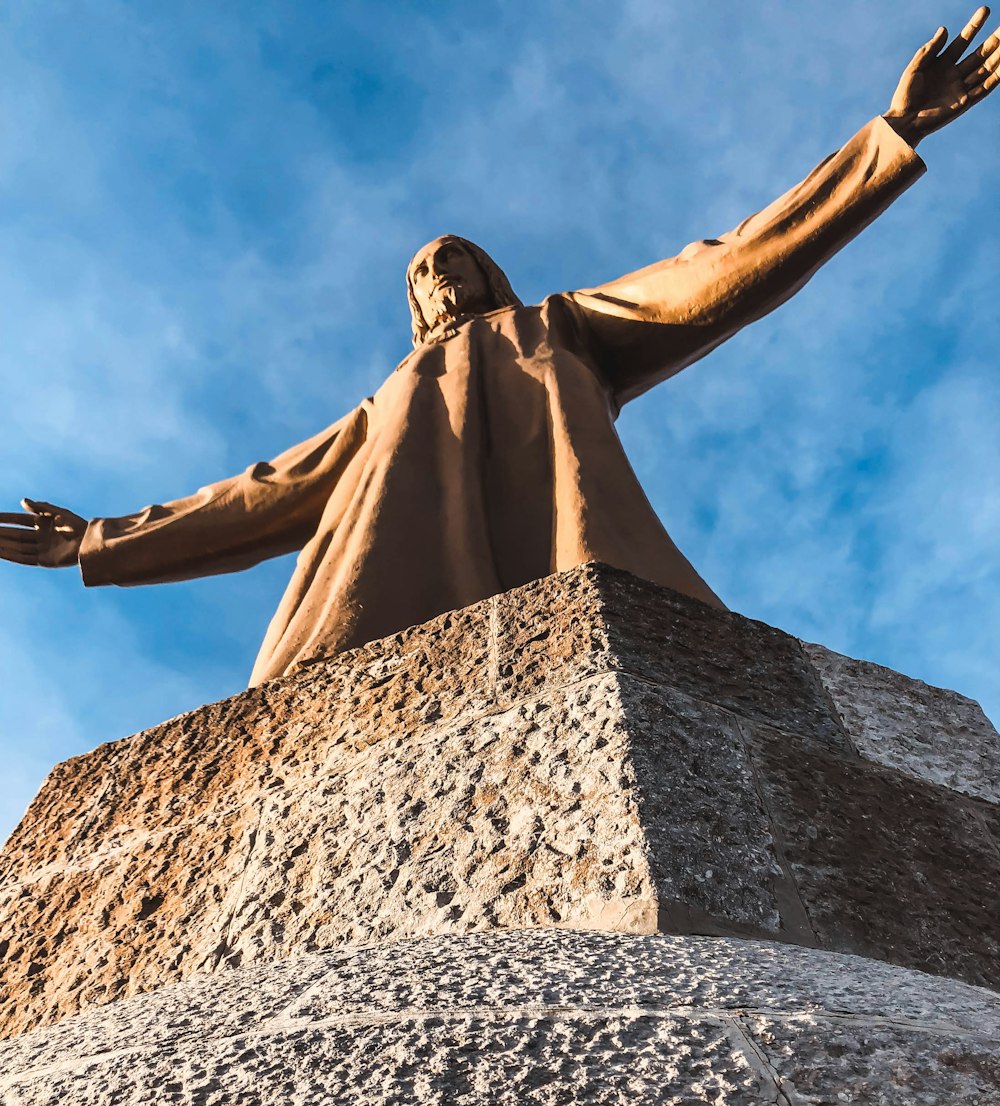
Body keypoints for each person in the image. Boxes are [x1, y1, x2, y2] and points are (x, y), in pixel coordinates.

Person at [2, 11, 998, 687]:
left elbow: (724, 269)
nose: (441, 275)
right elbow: (255, 493)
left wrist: (885, 136)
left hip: (577, 582)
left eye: (456, 259)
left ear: (491, 273)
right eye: (423, 271)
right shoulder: (389, 399)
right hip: (376, 616)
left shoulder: (558, 325)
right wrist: (100, 537)